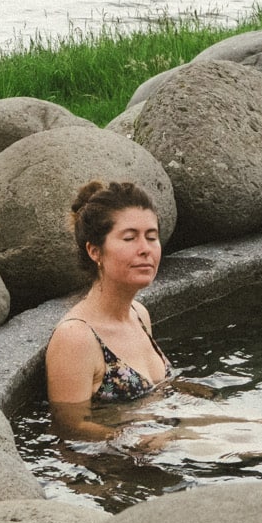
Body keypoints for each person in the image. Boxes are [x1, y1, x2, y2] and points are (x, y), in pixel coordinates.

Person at [44, 179, 173, 439]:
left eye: (152, 237)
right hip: (117, 469)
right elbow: (70, 428)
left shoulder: (138, 313)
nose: (145, 250)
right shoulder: (76, 337)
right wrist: (147, 442)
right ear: (95, 251)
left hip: (160, 442)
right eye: (130, 238)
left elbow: (157, 394)